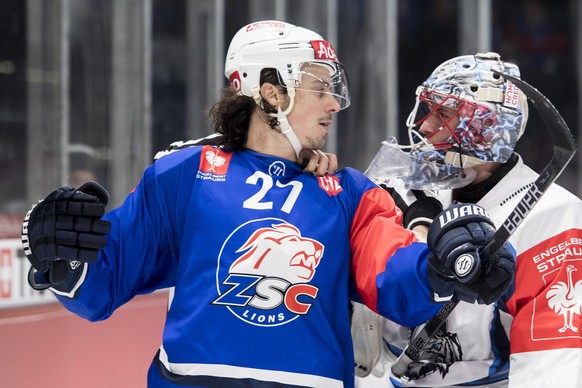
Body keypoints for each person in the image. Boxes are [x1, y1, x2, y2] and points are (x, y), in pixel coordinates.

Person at [21, 22, 514, 388]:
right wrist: (62, 261)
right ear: (271, 90)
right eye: (321, 88)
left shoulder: (350, 191)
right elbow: (103, 283)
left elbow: (394, 275)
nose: (334, 105)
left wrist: (444, 265)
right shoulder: (184, 174)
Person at [354, 52, 582, 388]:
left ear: (487, 126)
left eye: (443, 113)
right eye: (429, 108)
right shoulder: (412, 195)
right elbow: (369, 343)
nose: (425, 125)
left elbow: (551, 364)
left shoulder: (551, 215)